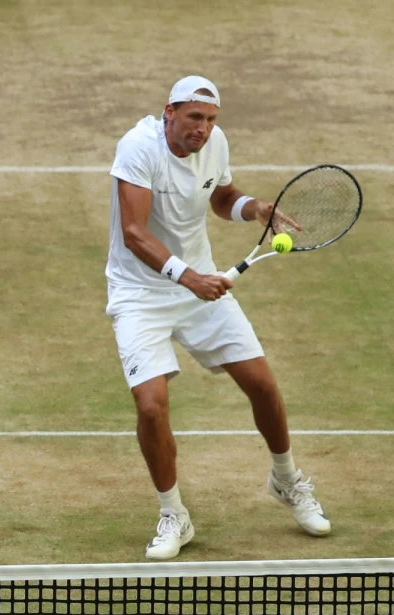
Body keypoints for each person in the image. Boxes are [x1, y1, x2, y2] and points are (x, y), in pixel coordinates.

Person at [106, 76, 330, 560]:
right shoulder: (138, 148)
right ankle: (174, 515)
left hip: (198, 284)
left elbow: (221, 197)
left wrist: (255, 208)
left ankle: (286, 480)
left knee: (262, 384)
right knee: (150, 406)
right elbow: (133, 232)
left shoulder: (215, 143)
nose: (203, 129)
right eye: (194, 117)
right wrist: (189, 278)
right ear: (169, 111)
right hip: (141, 294)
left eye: (210, 120)